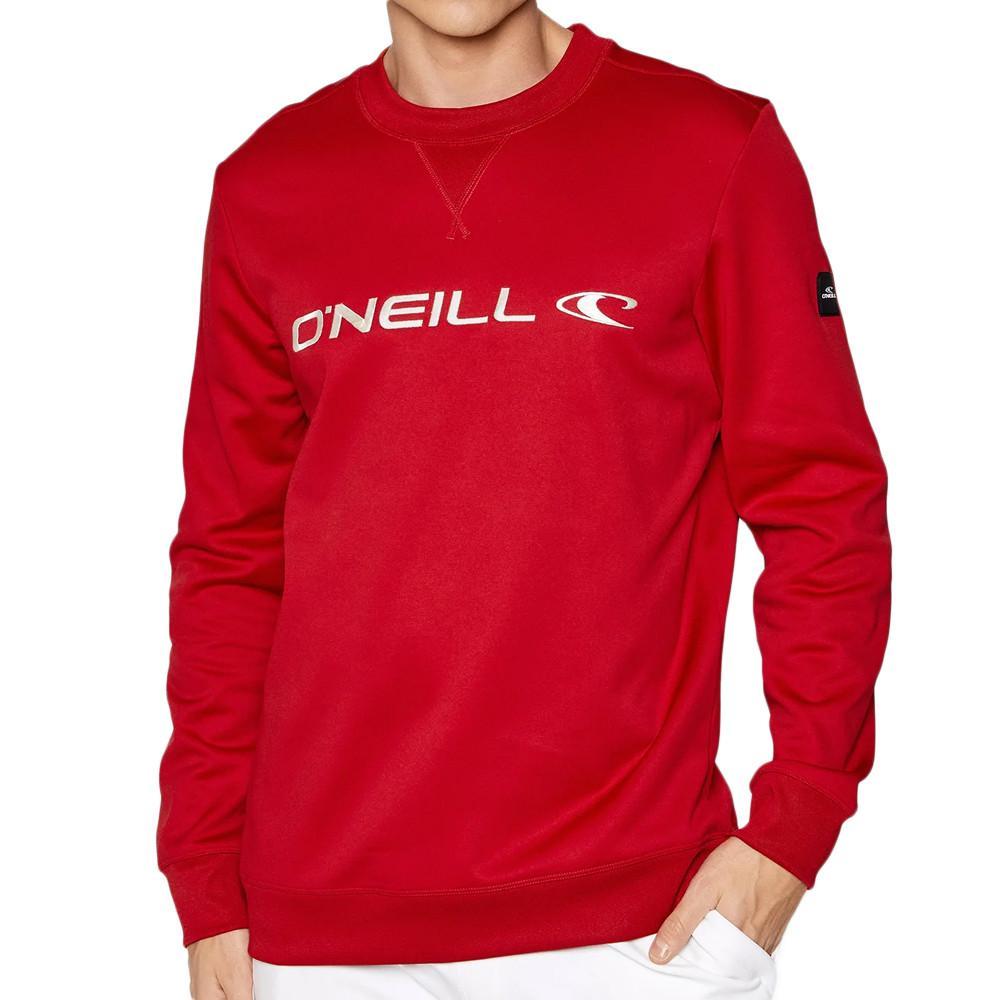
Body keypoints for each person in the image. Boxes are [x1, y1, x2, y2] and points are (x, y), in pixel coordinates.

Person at [157, 2, 891, 998]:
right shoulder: (268, 184)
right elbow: (230, 557)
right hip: (321, 933)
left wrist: (792, 829)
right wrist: (208, 886)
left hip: (636, 925)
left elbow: (822, 502)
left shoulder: (710, 148)